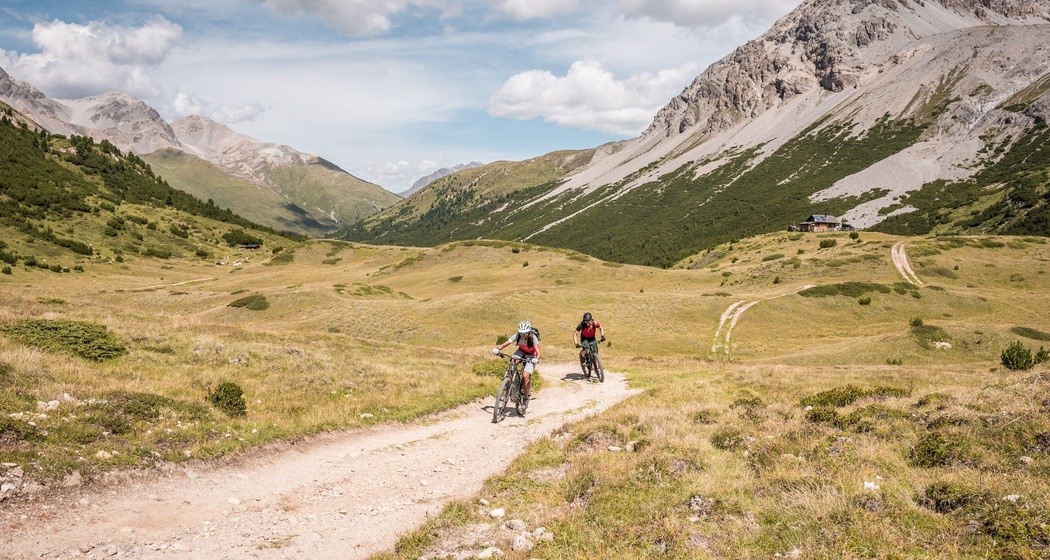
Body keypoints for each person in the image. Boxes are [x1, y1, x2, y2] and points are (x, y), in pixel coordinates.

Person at [493, 320, 540, 408]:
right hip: (521, 352)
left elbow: (538, 353)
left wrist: (536, 359)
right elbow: (506, 343)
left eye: (525, 333)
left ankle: (525, 398)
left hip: (531, 355)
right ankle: (509, 383)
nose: (523, 335)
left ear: (529, 332)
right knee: (512, 362)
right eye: (521, 333)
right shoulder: (517, 335)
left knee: (525, 376)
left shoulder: (533, 338)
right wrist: (497, 349)